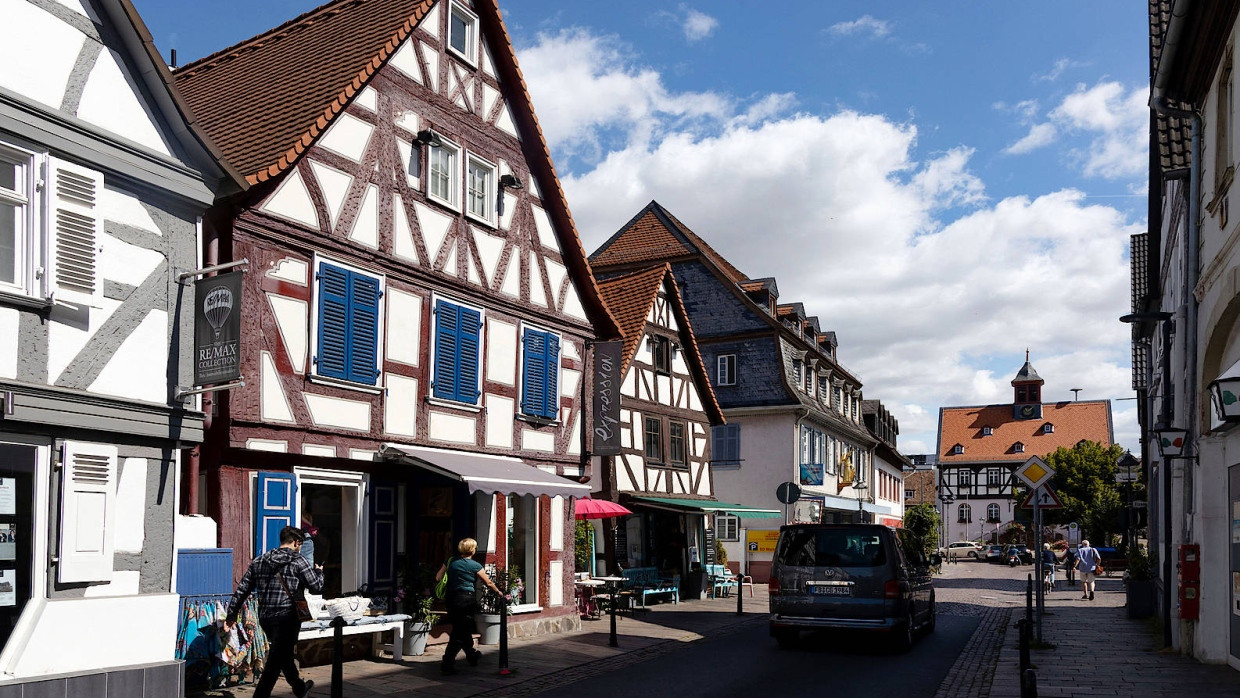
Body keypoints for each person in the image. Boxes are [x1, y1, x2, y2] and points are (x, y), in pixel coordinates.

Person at [224, 526, 324, 698]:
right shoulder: (298, 561)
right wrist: (319, 572)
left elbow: (242, 590)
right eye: (300, 545)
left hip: (266, 618)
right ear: (296, 542)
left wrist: (231, 615)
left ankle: (300, 688)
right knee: (275, 661)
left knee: (283, 654)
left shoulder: (259, 561)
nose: (300, 548)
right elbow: (316, 587)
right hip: (288, 617)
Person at [435, 538, 503, 675]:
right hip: (466, 600)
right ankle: (447, 663)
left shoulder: (450, 561)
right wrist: (499, 592)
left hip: (451, 599)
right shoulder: (475, 565)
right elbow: (488, 582)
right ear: (472, 550)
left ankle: (472, 655)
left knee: (462, 628)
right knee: (458, 632)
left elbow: (438, 577)